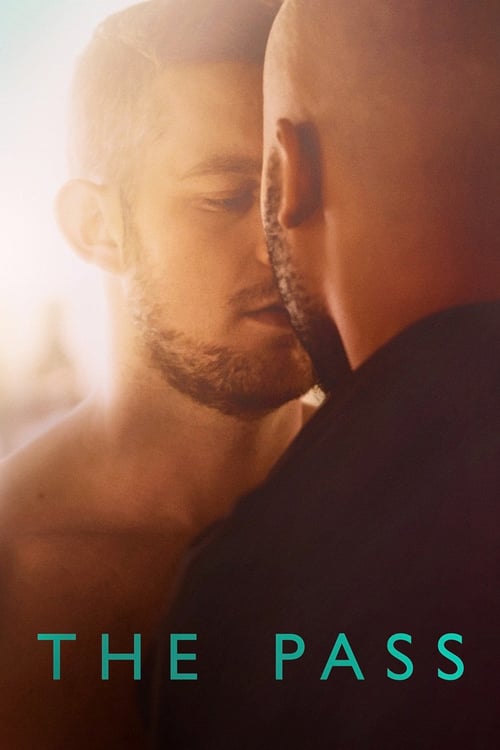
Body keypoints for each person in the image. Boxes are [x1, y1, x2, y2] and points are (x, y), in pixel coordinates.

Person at [147, 1, 500, 747]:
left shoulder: (260, 590)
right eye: (218, 198)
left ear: (290, 172)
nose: (256, 245)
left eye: (247, 193)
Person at [0, 1, 321, 747]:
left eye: (309, 191)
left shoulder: (428, 514)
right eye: (227, 197)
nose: (284, 242)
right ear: (97, 227)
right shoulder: (15, 575)